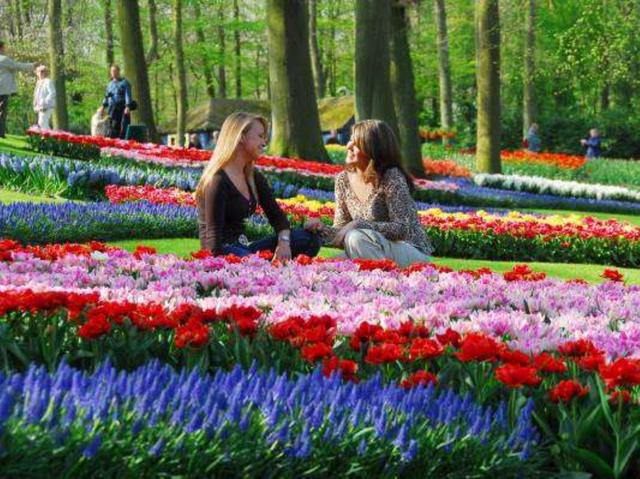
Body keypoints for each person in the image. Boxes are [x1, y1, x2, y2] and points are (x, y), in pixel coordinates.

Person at [304, 119, 433, 268]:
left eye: (356, 143)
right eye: (350, 140)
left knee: (356, 238)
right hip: (367, 248)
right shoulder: (342, 180)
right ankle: (373, 282)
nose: (349, 146)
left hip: (409, 251)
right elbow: (342, 233)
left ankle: (387, 284)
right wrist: (321, 229)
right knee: (326, 267)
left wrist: (359, 224)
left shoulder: (391, 176)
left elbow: (402, 229)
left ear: (373, 150)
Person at [196, 111, 321, 260]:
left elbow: (278, 218)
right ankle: (264, 271)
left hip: (244, 248)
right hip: (223, 251)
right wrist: (217, 266)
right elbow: (212, 241)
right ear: (241, 137)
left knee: (308, 238)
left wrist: (284, 243)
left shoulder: (253, 177)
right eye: (260, 136)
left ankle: (263, 268)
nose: (264, 143)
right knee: (252, 261)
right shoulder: (217, 180)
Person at [0, 40, 35, 138]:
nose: (5, 49)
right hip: (2, 90)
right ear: (1, 48)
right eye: (4, 47)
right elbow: (17, 66)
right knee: (2, 112)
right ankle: (0, 133)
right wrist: (32, 66)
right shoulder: (3, 59)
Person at [98, 64, 133, 139]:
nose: (113, 73)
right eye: (112, 71)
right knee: (112, 126)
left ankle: (123, 143)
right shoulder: (110, 84)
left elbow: (128, 95)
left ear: (118, 71)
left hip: (122, 109)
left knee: (123, 127)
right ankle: (113, 142)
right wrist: (103, 107)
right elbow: (107, 96)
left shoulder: (125, 83)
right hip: (112, 109)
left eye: (115, 71)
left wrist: (127, 107)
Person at [32, 65, 56, 130]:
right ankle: (46, 137)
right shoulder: (38, 82)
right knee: (41, 123)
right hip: (40, 106)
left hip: (47, 106)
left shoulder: (48, 81)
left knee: (42, 122)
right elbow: (36, 95)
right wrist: (35, 104)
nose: (41, 73)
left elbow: (52, 92)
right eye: (39, 71)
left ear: (45, 72)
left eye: (42, 71)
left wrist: (45, 102)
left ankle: (49, 137)